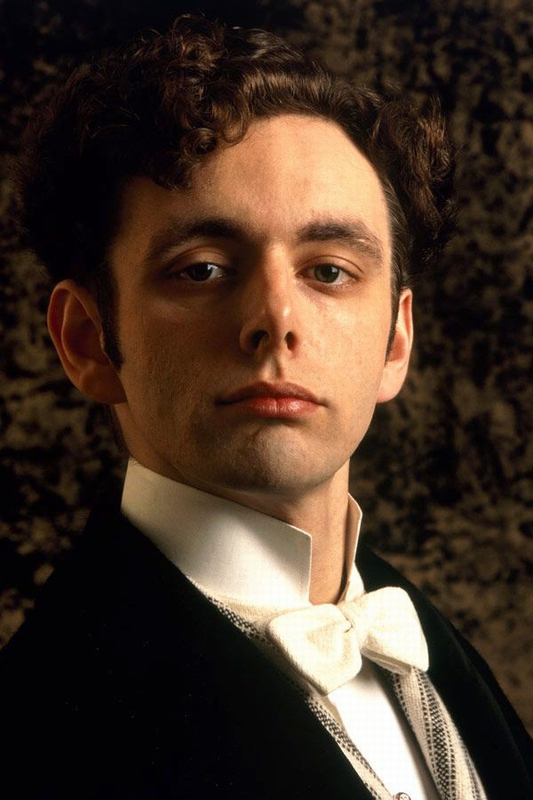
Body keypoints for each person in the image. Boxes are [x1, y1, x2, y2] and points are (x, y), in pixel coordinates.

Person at [1, 14, 531, 800]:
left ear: (395, 341)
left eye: (328, 271)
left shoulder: (441, 652)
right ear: (87, 341)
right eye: (203, 269)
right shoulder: (36, 726)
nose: (275, 319)